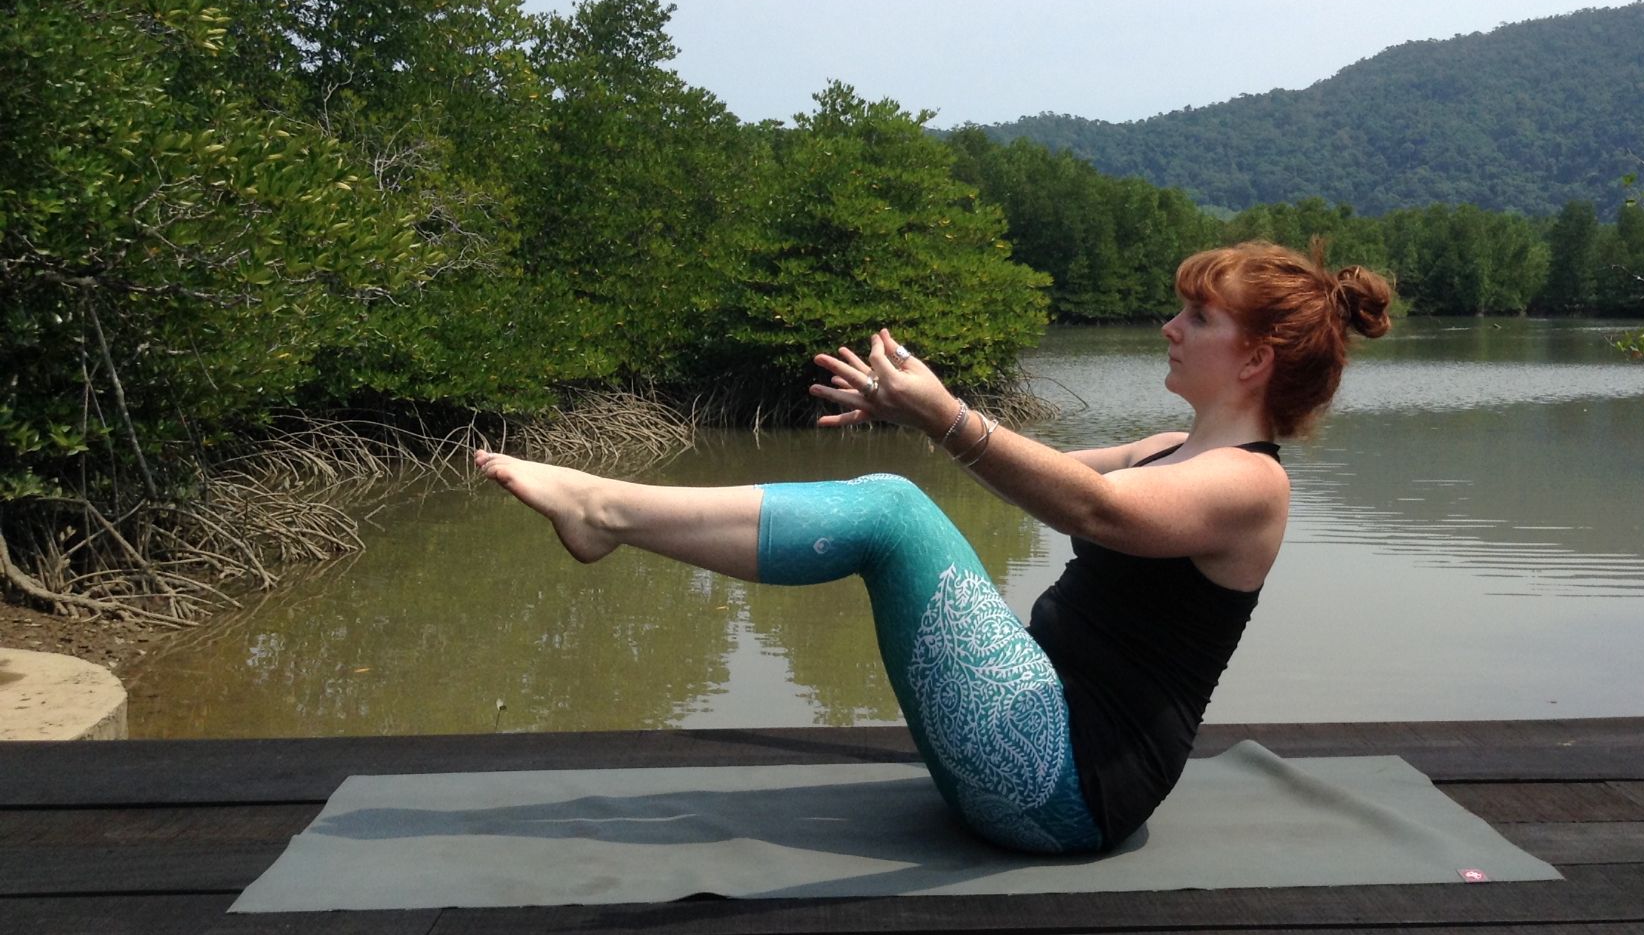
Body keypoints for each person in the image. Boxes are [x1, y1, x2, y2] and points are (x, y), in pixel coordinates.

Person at [475, 241, 1392, 854]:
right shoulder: (1168, 449)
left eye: (1197, 317)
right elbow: (1029, 479)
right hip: (1036, 747)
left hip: (1069, 790)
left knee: (893, 511)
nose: (1170, 327)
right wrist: (912, 416)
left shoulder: (1251, 486)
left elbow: (1095, 512)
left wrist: (947, 415)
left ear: (1256, 358)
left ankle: (606, 514)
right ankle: (608, 515)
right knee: (895, 507)